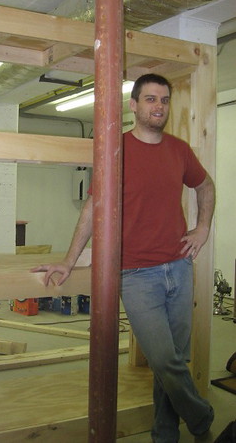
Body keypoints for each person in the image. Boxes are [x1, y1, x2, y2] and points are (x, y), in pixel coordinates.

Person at [31, 73, 216, 443]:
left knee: (174, 363)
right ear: (133, 105)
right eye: (150, 99)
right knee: (165, 361)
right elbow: (93, 206)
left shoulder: (179, 150)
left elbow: (205, 185)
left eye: (163, 100)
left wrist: (202, 227)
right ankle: (202, 418)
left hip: (179, 267)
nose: (158, 107)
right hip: (135, 274)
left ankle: (165, 435)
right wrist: (69, 260)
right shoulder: (116, 150)